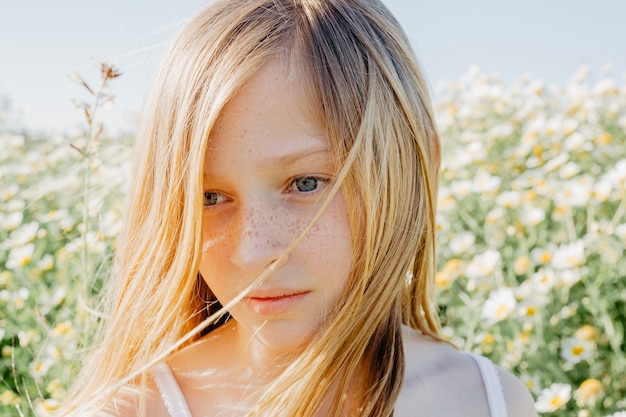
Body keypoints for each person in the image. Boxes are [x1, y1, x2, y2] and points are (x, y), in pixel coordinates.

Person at [60, 0, 538, 416]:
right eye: (209, 197)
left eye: (305, 184)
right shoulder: (131, 411)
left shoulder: (491, 401)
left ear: (417, 169)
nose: (252, 252)